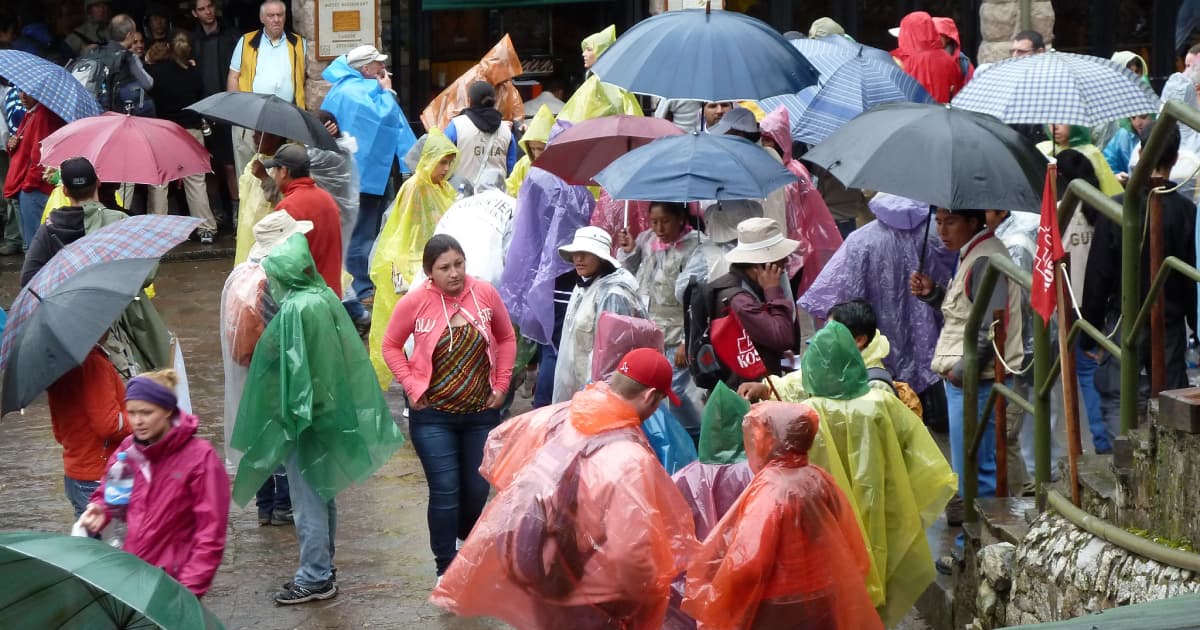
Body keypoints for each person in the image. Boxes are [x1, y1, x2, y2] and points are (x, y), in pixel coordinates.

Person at [430, 348, 697, 628]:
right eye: (659, 402)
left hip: (537, 570)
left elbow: (499, 453)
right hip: (591, 594)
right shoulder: (631, 458)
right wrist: (645, 600)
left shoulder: (556, 417)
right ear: (649, 396)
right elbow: (630, 557)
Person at [230, 233, 405, 605]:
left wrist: (291, 421)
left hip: (306, 420)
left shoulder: (296, 309)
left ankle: (314, 575)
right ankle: (323, 566)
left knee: (307, 498)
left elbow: (295, 372)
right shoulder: (324, 294)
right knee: (323, 493)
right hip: (329, 410)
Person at [798, 321, 957, 625]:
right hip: (884, 504)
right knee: (882, 574)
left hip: (828, 517)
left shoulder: (806, 413)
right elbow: (919, 451)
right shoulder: (880, 402)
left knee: (839, 585)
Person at [382, 234, 516, 579]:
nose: (454, 273)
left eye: (459, 264)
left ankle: (465, 544)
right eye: (444, 268)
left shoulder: (484, 294)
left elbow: (506, 337)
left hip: (480, 414)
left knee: (476, 491)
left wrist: (502, 383)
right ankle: (446, 566)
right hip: (433, 418)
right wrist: (411, 385)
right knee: (445, 490)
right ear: (430, 272)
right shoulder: (414, 303)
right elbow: (391, 346)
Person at [682, 400, 882, 630]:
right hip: (825, 591)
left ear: (769, 441)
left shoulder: (771, 491)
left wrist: (719, 595)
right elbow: (849, 540)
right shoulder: (819, 478)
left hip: (779, 604)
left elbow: (748, 562)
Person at [800, 193, 956, 429]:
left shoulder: (860, 240)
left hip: (876, 343)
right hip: (934, 344)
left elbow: (837, 293)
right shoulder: (937, 235)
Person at [1083, 122, 1196, 437]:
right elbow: (1190, 283)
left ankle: (1124, 462)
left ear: (1141, 151)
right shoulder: (1185, 210)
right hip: (1169, 323)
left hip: (1123, 319)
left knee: (1121, 397)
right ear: (1174, 159)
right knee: (1171, 401)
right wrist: (1195, 325)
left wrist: (1088, 332)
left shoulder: (1117, 208)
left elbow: (1098, 276)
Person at [910, 208, 1023, 517]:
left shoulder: (985, 259)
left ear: (973, 222)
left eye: (951, 222)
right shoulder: (972, 254)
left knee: (977, 470)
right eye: (939, 222)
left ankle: (976, 543)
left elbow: (992, 326)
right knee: (971, 468)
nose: (942, 230)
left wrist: (962, 372)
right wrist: (934, 294)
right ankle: (973, 541)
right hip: (970, 379)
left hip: (979, 382)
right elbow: (967, 313)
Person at [80, 370, 231, 597]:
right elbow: (109, 491)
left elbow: (210, 535)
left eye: (146, 412)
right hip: (132, 573)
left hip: (173, 582)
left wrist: (188, 591)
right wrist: (101, 508)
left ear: (168, 410)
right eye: (131, 413)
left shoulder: (201, 458)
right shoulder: (127, 450)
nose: (137, 421)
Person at [20, 158, 172, 377]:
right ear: (98, 183)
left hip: (71, 331)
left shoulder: (49, 230)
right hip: (117, 327)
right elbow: (146, 274)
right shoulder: (119, 221)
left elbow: (29, 281)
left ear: (65, 190)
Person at [321, 44, 418, 319]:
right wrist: (387, 91)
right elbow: (387, 116)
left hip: (358, 174)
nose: (382, 69)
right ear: (365, 69)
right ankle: (362, 288)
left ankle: (362, 285)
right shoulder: (360, 90)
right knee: (363, 234)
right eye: (377, 65)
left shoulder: (341, 88)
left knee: (363, 232)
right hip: (363, 176)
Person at [368, 128, 459, 386]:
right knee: (414, 332)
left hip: (434, 263)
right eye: (442, 161)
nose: (445, 167)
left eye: (449, 162)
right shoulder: (415, 187)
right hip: (412, 265)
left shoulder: (444, 189)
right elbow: (402, 230)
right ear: (428, 159)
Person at [617, 201, 702, 436]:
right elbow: (632, 274)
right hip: (651, 329)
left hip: (677, 333)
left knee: (676, 390)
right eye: (654, 222)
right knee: (651, 389)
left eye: (665, 221)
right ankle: (666, 435)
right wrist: (630, 249)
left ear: (680, 218)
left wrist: (688, 339)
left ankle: (693, 433)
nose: (659, 228)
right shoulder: (646, 240)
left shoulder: (694, 246)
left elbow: (695, 297)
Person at [702, 217, 801, 386]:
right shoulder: (740, 301)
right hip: (746, 390)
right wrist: (773, 292)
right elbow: (782, 337)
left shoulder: (752, 286)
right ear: (761, 265)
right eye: (780, 258)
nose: (786, 262)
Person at [552, 226, 643, 402]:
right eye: (576, 253)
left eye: (586, 253)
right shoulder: (582, 286)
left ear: (601, 258)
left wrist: (595, 396)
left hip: (600, 395)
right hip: (580, 388)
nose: (578, 258)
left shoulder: (613, 294)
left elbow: (612, 356)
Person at [1056, 150, 1109, 454]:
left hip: (1072, 303)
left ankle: (1097, 442)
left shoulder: (1062, 213)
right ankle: (1103, 440)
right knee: (1094, 374)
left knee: (1083, 376)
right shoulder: (1102, 209)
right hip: (1100, 303)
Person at [760, 105, 843, 294]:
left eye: (769, 141)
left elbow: (802, 213)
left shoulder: (793, 172)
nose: (764, 146)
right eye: (762, 140)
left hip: (794, 249)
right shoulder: (775, 171)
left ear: (780, 140)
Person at [145, 28, 218, 243]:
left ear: (169, 47)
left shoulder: (157, 72)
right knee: (196, 181)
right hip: (192, 131)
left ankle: (157, 231)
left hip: (164, 131)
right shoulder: (195, 73)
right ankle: (206, 228)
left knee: (159, 182)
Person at [47, 339, 130, 520]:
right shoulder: (94, 362)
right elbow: (109, 425)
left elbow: (59, 433)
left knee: (87, 544)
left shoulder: (57, 365)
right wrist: (141, 416)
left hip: (75, 474)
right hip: (99, 475)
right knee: (111, 545)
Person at [227, 0, 305, 176]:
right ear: (262, 18)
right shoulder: (246, 41)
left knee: (284, 170)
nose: (276, 19)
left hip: (287, 117)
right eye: (271, 16)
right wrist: (236, 112)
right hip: (251, 117)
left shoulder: (299, 44)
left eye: (280, 15)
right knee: (248, 170)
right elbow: (234, 75)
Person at [263, 144, 344, 297]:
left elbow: (282, 263)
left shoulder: (287, 207)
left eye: (275, 169)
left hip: (304, 298)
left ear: (284, 171)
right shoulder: (327, 198)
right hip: (332, 294)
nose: (273, 174)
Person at [191, 0, 240, 227]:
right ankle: (216, 210)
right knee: (208, 165)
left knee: (231, 164)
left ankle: (236, 211)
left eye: (209, 6)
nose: (207, 12)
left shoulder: (232, 36)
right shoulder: (192, 40)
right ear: (194, 13)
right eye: (201, 9)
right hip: (202, 109)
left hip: (229, 107)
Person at [426, 168, 515, 286]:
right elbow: (515, 252)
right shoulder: (513, 204)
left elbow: (436, 243)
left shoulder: (457, 205)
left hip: (448, 276)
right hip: (488, 278)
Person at [420, 35, 524, 131]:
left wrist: (518, 126)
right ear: (497, 67)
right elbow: (454, 114)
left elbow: (516, 110)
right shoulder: (473, 79)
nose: (509, 78)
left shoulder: (505, 84)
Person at [3, 90, 62, 250]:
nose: (23, 97)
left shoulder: (42, 115)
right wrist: (13, 146)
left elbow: (40, 157)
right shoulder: (32, 113)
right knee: (33, 244)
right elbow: (27, 149)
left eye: (28, 93)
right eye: (20, 92)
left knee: (34, 246)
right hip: (28, 185)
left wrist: (27, 186)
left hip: (34, 188)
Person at [445, 81, 518, 181]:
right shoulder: (507, 131)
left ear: (469, 101)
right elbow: (511, 170)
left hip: (462, 194)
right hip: (497, 194)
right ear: (494, 101)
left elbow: (441, 159)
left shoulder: (456, 126)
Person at [234, 131, 285, 264]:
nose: (254, 137)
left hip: (271, 236)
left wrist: (264, 178)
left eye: (259, 134)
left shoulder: (285, 166)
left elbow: (285, 202)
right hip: (249, 231)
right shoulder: (255, 161)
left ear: (276, 137)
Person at [890, 11, 962, 103]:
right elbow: (956, 91)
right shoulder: (949, 60)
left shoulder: (901, 61)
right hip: (942, 114)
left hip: (912, 114)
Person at [1038, 124, 1124, 196]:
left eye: (1061, 122)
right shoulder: (1042, 149)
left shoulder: (1091, 153)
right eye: (1050, 122)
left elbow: (1109, 188)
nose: (1054, 127)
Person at [505, 104, 553, 197]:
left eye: (541, 149)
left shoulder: (562, 166)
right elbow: (510, 188)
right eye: (532, 148)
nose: (536, 154)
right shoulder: (524, 164)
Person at [1104, 114, 1153, 182]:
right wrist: (1115, 175)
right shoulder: (1123, 136)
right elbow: (1107, 163)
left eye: (1143, 117)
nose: (1138, 123)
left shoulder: (1165, 136)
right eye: (1133, 118)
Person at [933, 16, 974, 84]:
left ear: (948, 38)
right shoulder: (924, 60)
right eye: (933, 35)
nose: (935, 39)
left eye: (939, 35)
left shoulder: (961, 61)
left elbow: (970, 86)